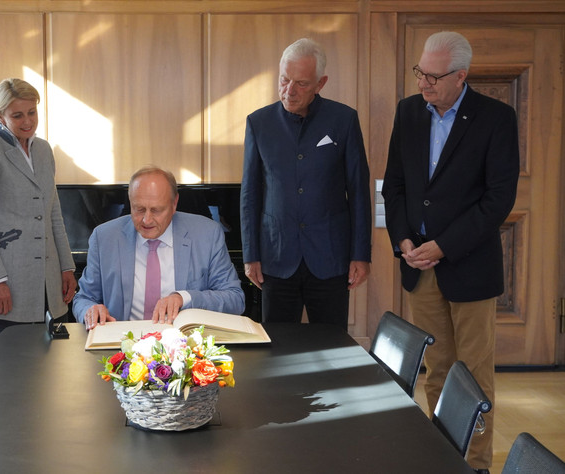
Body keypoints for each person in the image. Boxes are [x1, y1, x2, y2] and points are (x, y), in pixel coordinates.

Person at [381, 31, 520, 473]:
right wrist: (404, 240)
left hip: (469, 266)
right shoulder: (408, 112)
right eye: (420, 72)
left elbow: (498, 200)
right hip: (419, 266)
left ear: (462, 76)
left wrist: (443, 245)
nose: (424, 83)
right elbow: (396, 185)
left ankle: (475, 465)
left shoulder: (496, 118)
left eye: (434, 77)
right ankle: (445, 457)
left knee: (474, 377)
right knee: (436, 369)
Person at [240, 38, 372, 328]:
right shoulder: (258, 123)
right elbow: (250, 194)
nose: (289, 91)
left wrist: (360, 254)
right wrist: (251, 255)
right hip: (276, 256)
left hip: (330, 257)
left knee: (331, 347)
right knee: (276, 349)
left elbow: (359, 190)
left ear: (320, 83)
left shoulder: (344, 120)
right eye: (284, 80)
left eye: (301, 83)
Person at [0, 78, 76, 336]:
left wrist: (66, 267)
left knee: (56, 361)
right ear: (0, 115)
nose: (27, 121)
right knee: (16, 366)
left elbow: (53, 213)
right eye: (17, 115)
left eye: (32, 112)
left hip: (51, 280)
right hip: (9, 280)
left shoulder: (44, 150)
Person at [73, 166, 245, 329]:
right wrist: (90, 310)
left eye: (156, 210)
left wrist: (184, 298)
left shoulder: (206, 234)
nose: (146, 220)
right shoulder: (104, 237)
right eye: (139, 209)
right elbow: (84, 298)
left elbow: (235, 299)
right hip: (121, 346)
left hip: (185, 347)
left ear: (174, 204)